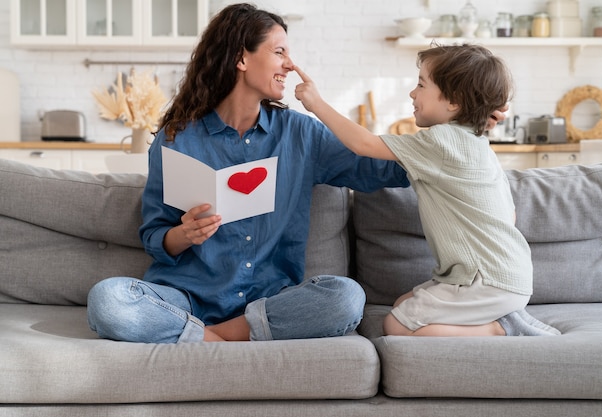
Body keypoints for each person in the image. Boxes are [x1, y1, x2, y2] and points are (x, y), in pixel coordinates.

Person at [86, 3, 413, 344]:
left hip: (268, 302)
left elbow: (382, 169)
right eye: (279, 52)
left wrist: (446, 142)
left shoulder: (300, 134)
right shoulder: (177, 139)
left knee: (346, 297)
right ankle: (226, 338)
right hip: (185, 297)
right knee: (108, 300)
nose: (290, 64)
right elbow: (155, 236)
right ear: (242, 59)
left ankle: (208, 339)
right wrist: (185, 234)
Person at [294, 44, 560, 337]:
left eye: (421, 84)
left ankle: (503, 328)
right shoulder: (477, 144)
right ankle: (502, 314)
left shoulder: (440, 141)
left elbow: (364, 145)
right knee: (402, 304)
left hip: (483, 281)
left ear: (454, 102)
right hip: (506, 275)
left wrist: (316, 103)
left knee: (395, 325)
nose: (412, 93)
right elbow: (507, 216)